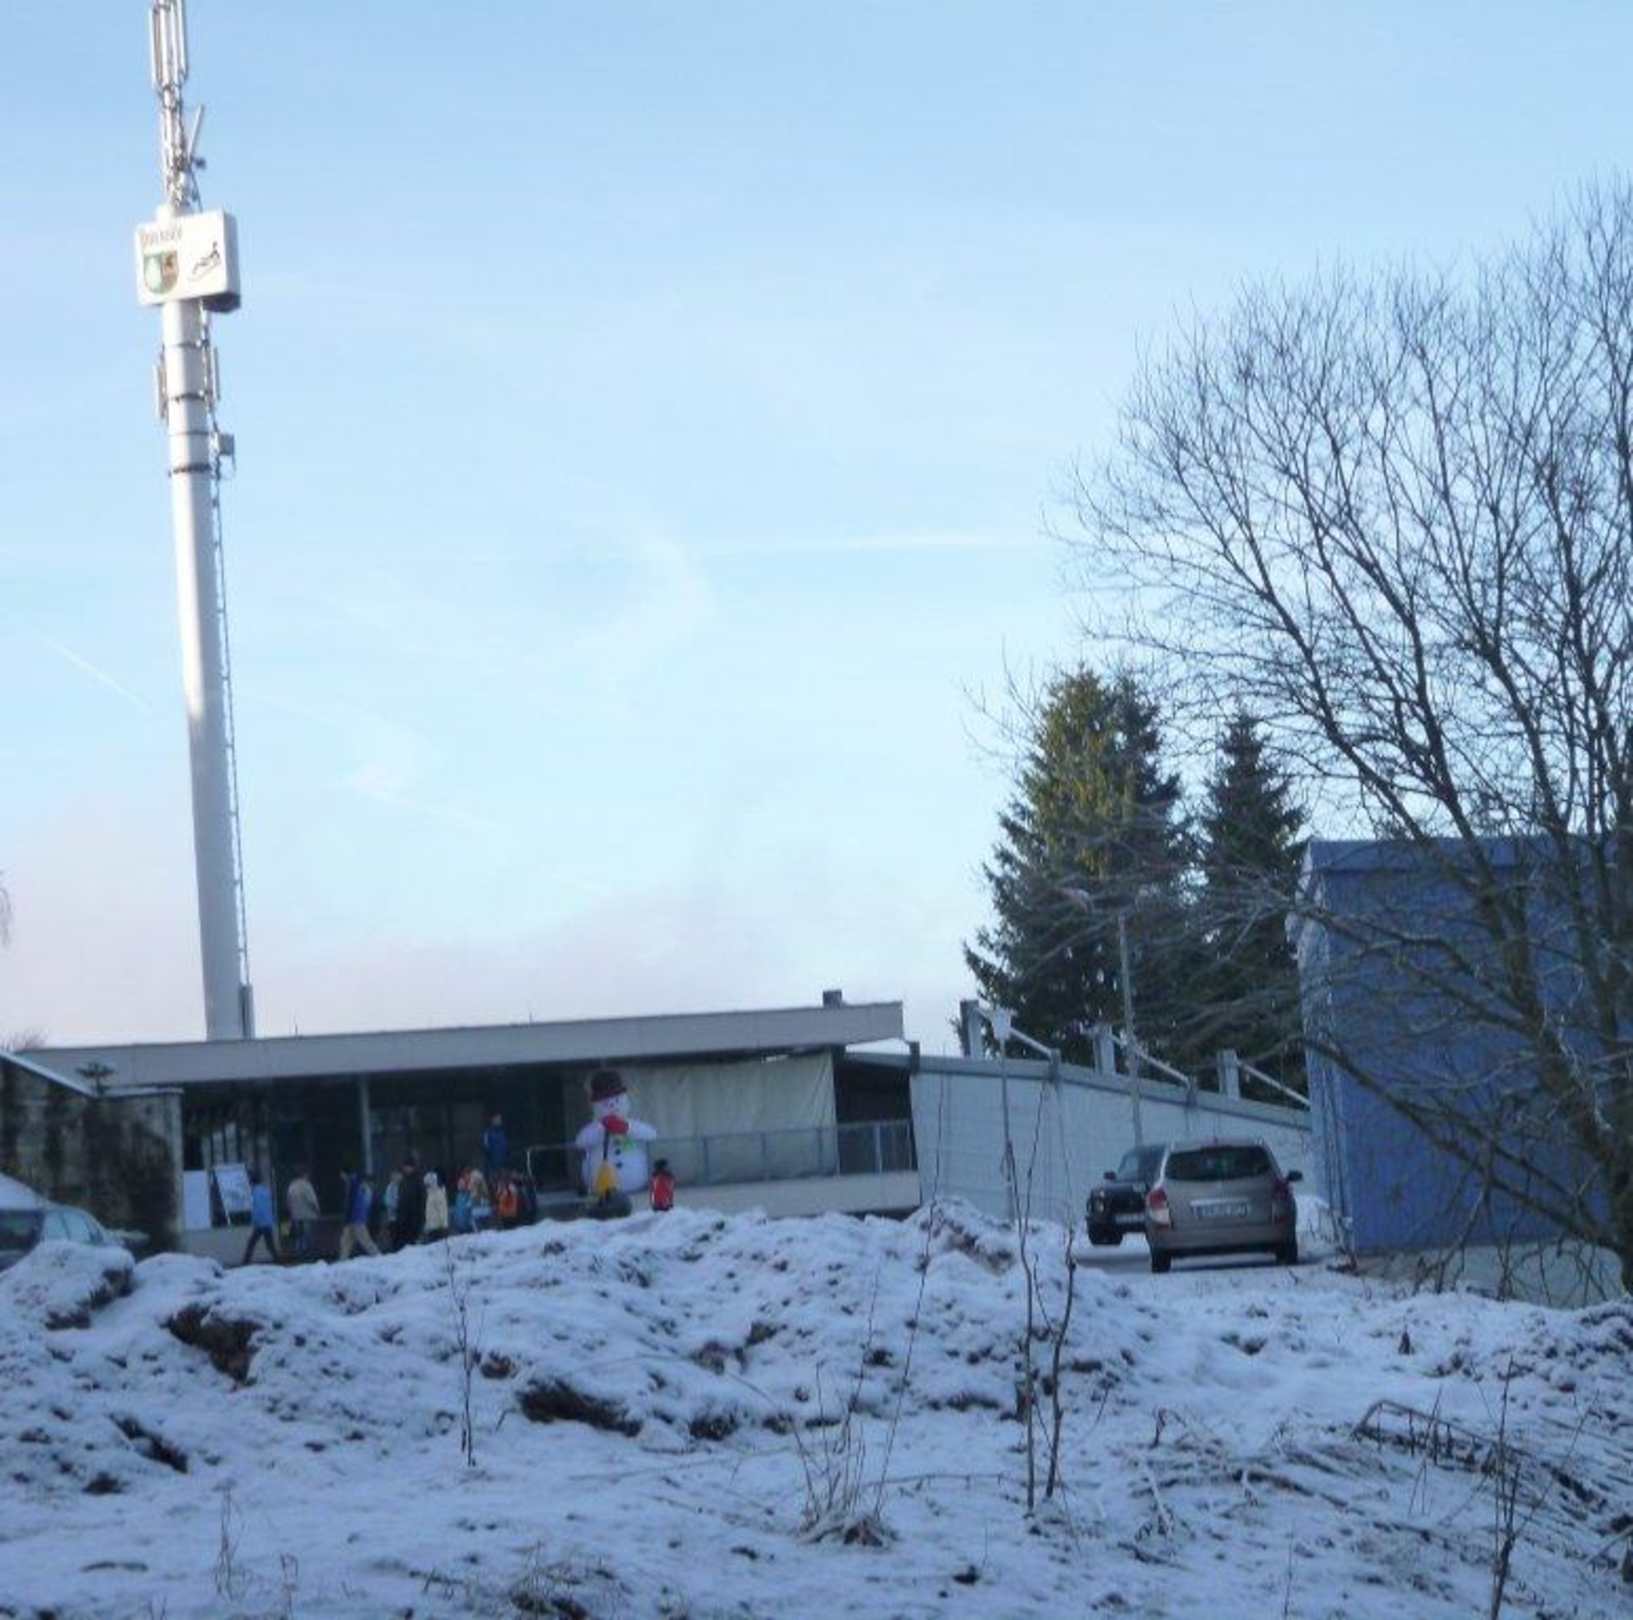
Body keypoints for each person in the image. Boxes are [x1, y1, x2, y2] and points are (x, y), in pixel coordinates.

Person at [242, 1170, 282, 1265]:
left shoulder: (254, 1193)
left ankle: (245, 1262)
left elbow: (256, 1209)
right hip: (267, 1221)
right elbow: (270, 1206)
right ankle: (278, 1260)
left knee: (252, 1243)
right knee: (268, 1244)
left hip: (260, 1222)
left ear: (252, 1182)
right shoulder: (266, 1191)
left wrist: (254, 1220)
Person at [339, 1169, 380, 1259]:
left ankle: (378, 1257)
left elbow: (352, 1203)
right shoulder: (356, 1184)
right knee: (346, 1241)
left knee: (364, 1240)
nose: (342, 1177)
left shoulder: (354, 1185)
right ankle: (342, 1259)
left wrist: (348, 1217)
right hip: (355, 1218)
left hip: (356, 1218)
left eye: (342, 1174)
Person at [285, 1166, 320, 1260]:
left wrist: (291, 1212)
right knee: (308, 1235)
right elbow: (312, 1200)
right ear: (305, 1175)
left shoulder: (292, 1186)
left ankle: (299, 1253)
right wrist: (317, 1210)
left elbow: (288, 1200)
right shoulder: (306, 1185)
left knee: (299, 1235)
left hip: (295, 1215)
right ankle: (310, 1254)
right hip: (308, 1215)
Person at [392, 1160, 424, 1250]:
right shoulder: (404, 1181)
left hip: (414, 1216)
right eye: (405, 1167)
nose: (406, 1169)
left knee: (411, 1242)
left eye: (408, 1167)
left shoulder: (418, 1181)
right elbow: (400, 1198)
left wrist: (420, 1216)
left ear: (412, 1167)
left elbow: (422, 1199)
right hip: (402, 1217)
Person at [421, 1171, 449, 1243]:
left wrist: (444, 1225)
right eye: (425, 1184)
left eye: (428, 1184)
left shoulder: (438, 1194)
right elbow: (429, 1211)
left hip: (438, 1228)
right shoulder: (429, 1195)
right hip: (430, 1228)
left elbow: (443, 1210)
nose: (426, 1186)